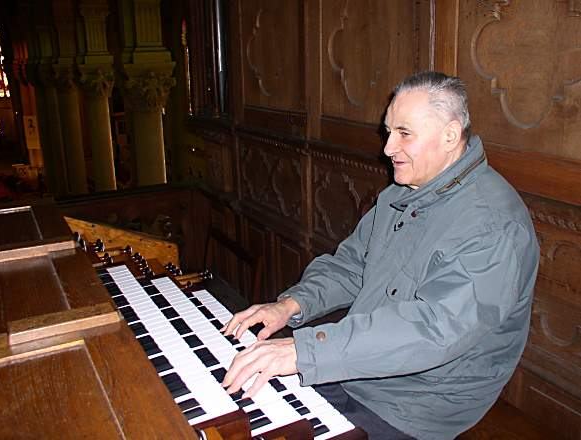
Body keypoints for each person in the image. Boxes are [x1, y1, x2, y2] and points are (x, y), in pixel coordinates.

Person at [221, 71, 540, 439]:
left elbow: (433, 330)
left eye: (404, 134)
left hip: (418, 401)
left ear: (450, 135)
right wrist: (291, 305)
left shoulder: (493, 225)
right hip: (364, 369)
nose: (387, 148)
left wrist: (304, 352)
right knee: (235, 400)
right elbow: (353, 265)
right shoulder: (402, 195)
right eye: (389, 132)